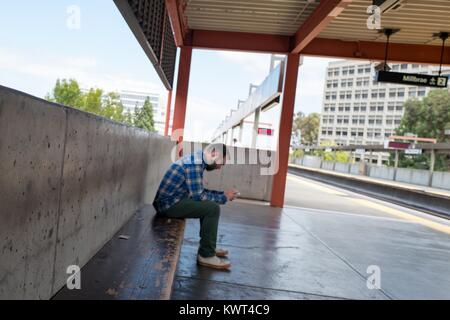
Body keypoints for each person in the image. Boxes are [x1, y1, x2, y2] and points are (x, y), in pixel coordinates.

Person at [153, 143, 239, 270]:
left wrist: (223, 194)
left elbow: (198, 192)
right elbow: (200, 197)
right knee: (212, 208)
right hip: (168, 205)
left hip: (174, 200)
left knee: (210, 206)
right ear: (215, 154)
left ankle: (208, 246)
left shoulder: (197, 160)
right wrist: (225, 198)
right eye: (222, 163)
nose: (220, 167)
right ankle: (206, 255)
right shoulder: (194, 163)